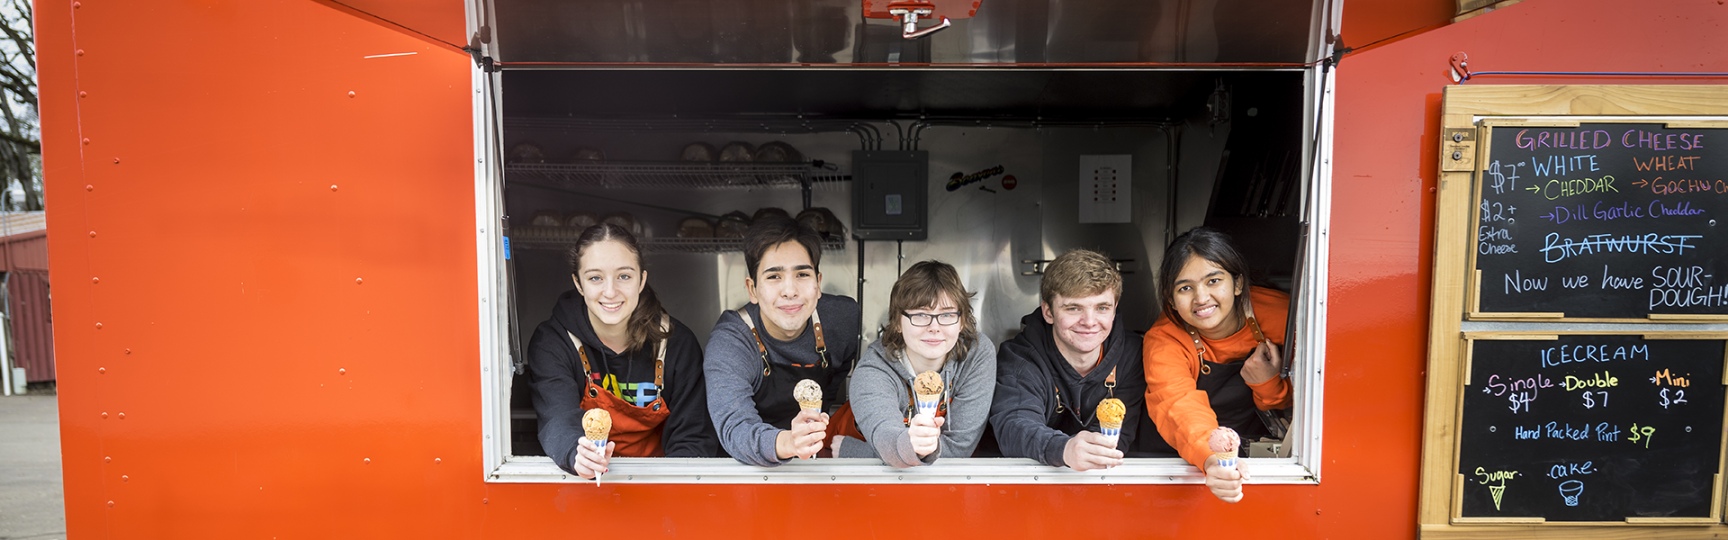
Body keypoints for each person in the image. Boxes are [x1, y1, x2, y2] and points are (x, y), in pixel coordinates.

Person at [526, 223, 719, 480]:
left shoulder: (675, 343)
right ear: (578, 283)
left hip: (662, 485)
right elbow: (556, 417)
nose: (610, 292)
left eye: (624, 276)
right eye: (595, 278)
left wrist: (671, 492)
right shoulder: (554, 341)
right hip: (587, 485)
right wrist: (576, 453)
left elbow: (692, 436)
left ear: (642, 280)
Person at [1143, 227, 1290, 503]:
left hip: (1252, 460)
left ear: (1237, 284)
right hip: (1179, 460)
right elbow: (1178, 405)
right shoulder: (1164, 339)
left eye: (1213, 281)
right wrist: (1212, 460)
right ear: (1172, 300)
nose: (1201, 298)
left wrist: (1268, 384)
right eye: (1185, 288)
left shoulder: (1285, 316)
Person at [705, 214, 861, 466]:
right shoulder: (732, 340)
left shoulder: (842, 319)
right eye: (774, 276)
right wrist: (788, 443)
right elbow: (735, 427)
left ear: (818, 284)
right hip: (747, 465)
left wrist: (811, 428)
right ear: (752, 289)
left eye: (802, 274)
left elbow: (838, 374)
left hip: (813, 454)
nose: (790, 291)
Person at [988, 249, 1148, 471]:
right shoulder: (1020, 359)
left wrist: (1084, 453)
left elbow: (1120, 436)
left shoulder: (1133, 355)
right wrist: (1063, 449)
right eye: (1074, 308)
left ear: (1114, 310)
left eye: (1102, 308)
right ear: (1048, 312)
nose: (1090, 322)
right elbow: (1014, 425)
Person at [834, 261, 996, 467]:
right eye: (920, 315)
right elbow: (887, 439)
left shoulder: (977, 354)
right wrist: (912, 446)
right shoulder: (873, 370)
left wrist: (855, 451)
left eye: (946, 314)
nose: (934, 327)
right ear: (897, 323)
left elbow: (959, 449)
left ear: (961, 321)